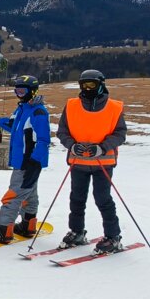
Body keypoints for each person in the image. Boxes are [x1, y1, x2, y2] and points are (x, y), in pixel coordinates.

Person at [56, 69, 128, 253]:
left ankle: (113, 237)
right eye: (84, 85)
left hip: (102, 163)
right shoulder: (71, 105)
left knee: (103, 199)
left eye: (92, 85)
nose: (87, 88)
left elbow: (120, 134)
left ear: (101, 85)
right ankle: (77, 232)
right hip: (78, 162)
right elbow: (62, 131)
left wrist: (102, 147)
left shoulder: (113, 107)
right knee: (76, 198)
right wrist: (72, 146)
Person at [0, 75, 50, 243]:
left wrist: (34, 161)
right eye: (17, 91)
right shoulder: (22, 109)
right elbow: (13, 126)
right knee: (29, 194)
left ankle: (3, 229)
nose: (19, 94)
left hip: (28, 162)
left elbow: (43, 140)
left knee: (13, 195)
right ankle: (28, 225)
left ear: (32, 91)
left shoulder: (38, 112)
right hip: (23, 161)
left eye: (22, 91)